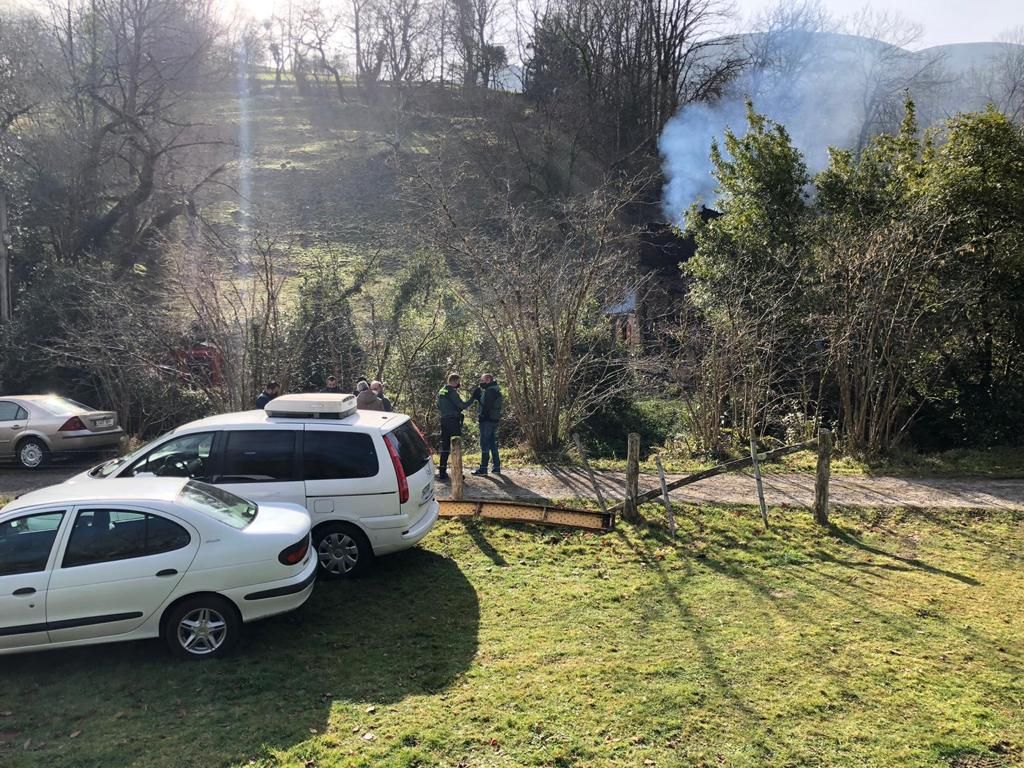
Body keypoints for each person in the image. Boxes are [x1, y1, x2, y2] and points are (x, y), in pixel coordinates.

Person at [436, 373, 474, 480]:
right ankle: (457, 472)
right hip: (453, 421)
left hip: (443, 420)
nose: (459, 384)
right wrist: (473, 398)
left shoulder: (442, 391)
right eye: (458, 382)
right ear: (454, 381)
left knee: (445, 447)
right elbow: (462, 405)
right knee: (456, 446)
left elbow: (438, 406)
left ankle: (442, 472)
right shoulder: (452, 392)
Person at [472, 373, 503, 475]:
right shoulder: (495, 389)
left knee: (484, 443)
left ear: (488, 380)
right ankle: (496, 467)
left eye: (482, 380)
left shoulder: (490, 391)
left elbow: (487, 406)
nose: (481, 382)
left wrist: (482, 416)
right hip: (493, 420)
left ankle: (483, 468)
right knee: (492, 443)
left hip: (487, 420)